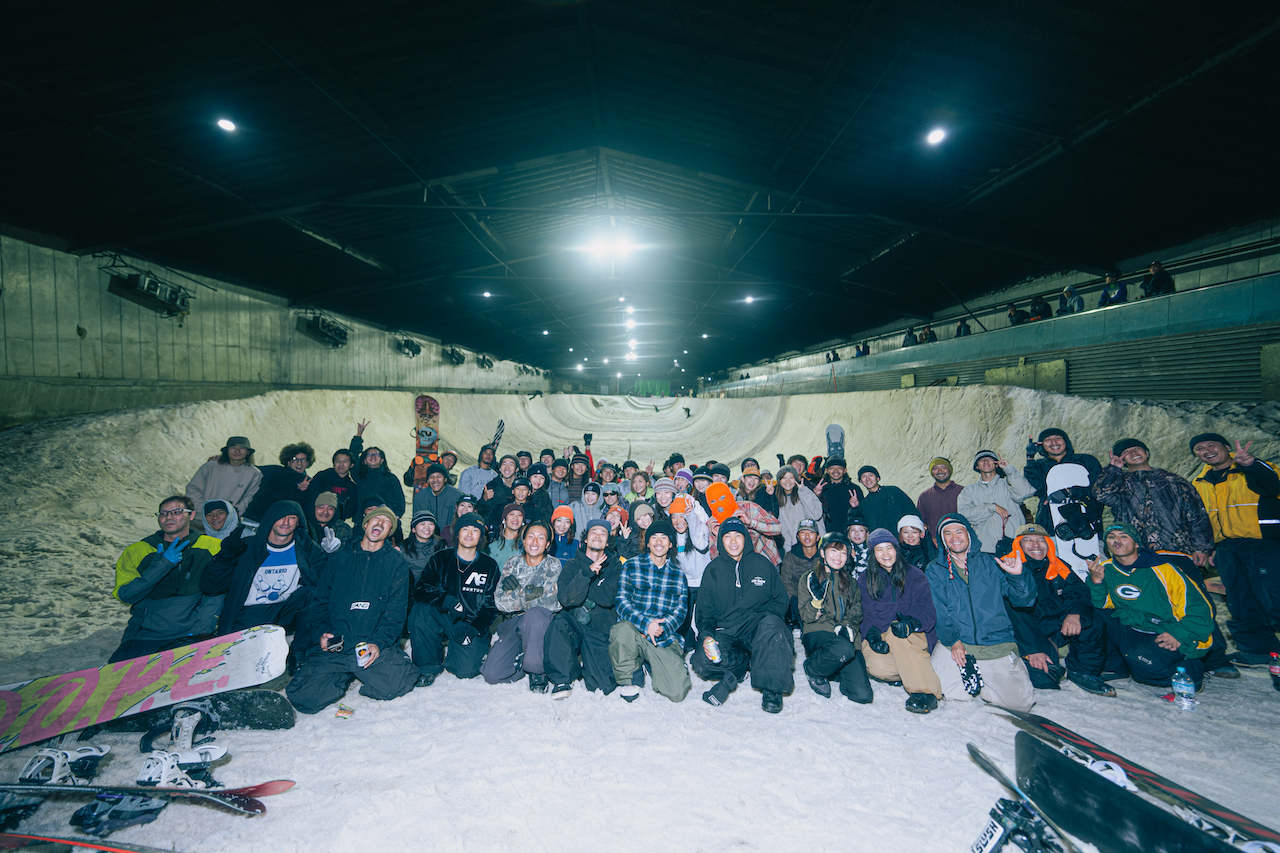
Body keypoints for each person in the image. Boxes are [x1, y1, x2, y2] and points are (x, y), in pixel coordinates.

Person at [284, 506, 418, 714]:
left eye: (386, 522)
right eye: (376, 519)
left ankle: (360, 673)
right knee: (303, 697)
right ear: (366, 524)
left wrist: (379, 643)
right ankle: (343, 674)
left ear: (389, 531)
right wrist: (322, 632)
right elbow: (319, 602)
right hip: (338, 642)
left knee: (402, 680)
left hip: (371, 644)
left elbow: (396, 613)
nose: (380, 523)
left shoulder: (396, 563)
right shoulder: (338, 559)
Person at [926, 513, 1037, 712]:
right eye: (947, 534)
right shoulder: (935, 569)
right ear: (942, 541)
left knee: (1020, 704)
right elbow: (940, 612)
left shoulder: (991, 564)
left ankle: (987, 679)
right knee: (943, 691)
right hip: (959, 645)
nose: (954, 537)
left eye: (959, 531)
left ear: (969, 534)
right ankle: (970, 674)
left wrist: (1018, 577)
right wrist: (954, 642)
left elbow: (1024, 601)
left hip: (995, 643)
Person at [1087, 523, 1216, 690]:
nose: (1116, 540)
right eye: (1111, 537)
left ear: (1136, 544)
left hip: (1164, 629)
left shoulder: (1163, 569)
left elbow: (1199, 608)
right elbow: (1102, 604)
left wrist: (1178, 634)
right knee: (1093, 615)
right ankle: (1115, 667)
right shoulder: (1106, 569)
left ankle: (1193, 674)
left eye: (1123, 536)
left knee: (1149, 671)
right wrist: (1096, 581)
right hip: (1132, 626)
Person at [1189, 434, 1280, 665]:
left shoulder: (1255, 468)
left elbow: (1272, 486)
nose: (1206, 450)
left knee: (1273, 597)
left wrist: (1250, 464)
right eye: (1199, 448)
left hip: (1263, 543)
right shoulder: (1201, 481)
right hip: (1227, 548)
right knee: (1240, 600)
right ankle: (1258, 650)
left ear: (1227, 448)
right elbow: (1205, 519)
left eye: (1212, 445)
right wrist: (1210, 548)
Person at [692, 519, 793, 713]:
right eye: (727, 536)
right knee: (702, 662)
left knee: (773, 626)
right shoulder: (713, 569)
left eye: (738, 535)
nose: (733, 541)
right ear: (721, 540)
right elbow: (705, 610)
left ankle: (772, 688)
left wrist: (761, 620)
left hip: (756, 626)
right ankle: (743, 663)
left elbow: (780, 601)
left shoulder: (762, 564)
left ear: (745, 538)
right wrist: (706, 635)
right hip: (726, 631)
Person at [109, 495, 224, 662]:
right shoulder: (137, 551)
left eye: (176, 512)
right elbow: (126, 595)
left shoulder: (213, 546)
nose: (168, 517)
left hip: (192, 632)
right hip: (145, 634)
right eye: (163, 514)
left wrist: (203, 630)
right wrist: (162, 564)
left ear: (191, 515)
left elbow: (218, 593)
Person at [1003, 524, 1114, 696]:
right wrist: (1033, 648)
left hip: (1056, 625)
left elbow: (1077, 591)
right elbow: (1015, 615)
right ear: (1018, 545)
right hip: (1026, 632)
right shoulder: (1009, 567)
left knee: (1093, 623)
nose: (1036, 545)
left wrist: (1074, 613)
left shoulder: (1059, 565)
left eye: (1041, 540)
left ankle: (1083, 672)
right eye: (1028, 541)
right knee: (1045, 679)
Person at [200, 499, 325, 640]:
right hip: (250, 612)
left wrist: (334, 555)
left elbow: (328, 579)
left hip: (284, 609)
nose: (286, 522)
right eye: (281, 517)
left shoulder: (305, 548)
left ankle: (299, 655)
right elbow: (210, 586)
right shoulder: (247, 547)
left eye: (292, 518)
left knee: (313, 594)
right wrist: (225, 558)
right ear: (271, 519)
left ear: (298, 522)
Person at [408, 512, 499, 685]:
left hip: (470, 623)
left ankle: (456, 652)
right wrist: (446, 601)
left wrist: (475, 629)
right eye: (465, 529)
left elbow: (491, 606)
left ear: (481, 537)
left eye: (475, 530)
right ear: (457, 533)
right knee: (420, 611)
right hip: (442, 616)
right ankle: (428, 666)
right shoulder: (441, 558)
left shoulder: (489, 565)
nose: (469, 534)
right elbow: (420, 590)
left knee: (466, 670)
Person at [858, 529, 942, 713]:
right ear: (873, 554)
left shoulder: (915, 575)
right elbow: (866, 614)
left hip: (911, 634)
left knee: (898, 635)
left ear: (897, 549)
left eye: (889, 548)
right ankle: (912, 668)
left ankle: (925, 692)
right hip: (882, 634)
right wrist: (871, 635)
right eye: (879, 549)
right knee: (875, 665)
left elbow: (927, 610)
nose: (885, 553)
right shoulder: (865, 579)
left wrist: (912, 623)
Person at [609, 519, 692, 703]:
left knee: (677, 692)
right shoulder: (632, 565)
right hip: (635, 632)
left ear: (670, 544)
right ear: (647, 543)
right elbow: (621, 601)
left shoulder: (678, 574)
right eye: (654, 537)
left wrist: (659, 629)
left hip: (663, 638)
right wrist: (646, 625)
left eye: (664, 538)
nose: (658, 542)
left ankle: (654, 664)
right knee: (621, 630)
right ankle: (630, 675)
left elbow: (680, 611)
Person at [1093, 439, 1214, 564]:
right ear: (1122, 460)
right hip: (1135, 554)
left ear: (1147, 453)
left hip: (1177, 551)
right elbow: (1101, 495)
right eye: (1126, 452)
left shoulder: (1174, 480)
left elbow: (1196, 513)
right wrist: (1113, 469)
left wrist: (1201, 547)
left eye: (1137, 449)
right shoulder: (1120, 483)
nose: (1133, 453)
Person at [482, 521, 563, 692]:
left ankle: (537, 671)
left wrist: (517, 595)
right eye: (530, 537)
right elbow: (500, 601)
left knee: (534, 615)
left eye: (541, 538)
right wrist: (527, 593)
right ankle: (523, 660)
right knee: (492, 674)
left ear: (548, 544)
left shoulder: (553, 564)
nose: (535, 542)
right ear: (523, 541)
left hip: (540, 625)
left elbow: (552, 602)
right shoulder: (512, 563)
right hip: (513, 623)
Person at [544, 519, 620, 698]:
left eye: (603, 534)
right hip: (574, 623)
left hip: (600, 627)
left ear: (607, 542)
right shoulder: (572, 564)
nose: (597, 536)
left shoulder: (615, 566)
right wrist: (587, 573)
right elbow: (566, 598)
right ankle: (563, 678)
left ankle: (587, 665)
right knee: (558, 624)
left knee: (603, 686)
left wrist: (582, 585)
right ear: (585, 539)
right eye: (594, 532)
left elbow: (608, 597)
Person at [797, 532, 874, 704]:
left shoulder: (851, 583)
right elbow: (806, 617)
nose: (838, 557)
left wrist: (846, 626)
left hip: (844, 636)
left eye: (843, 552)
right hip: (818, 632)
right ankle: (814, 668)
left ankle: (836, 668)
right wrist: (817, 602)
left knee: (862, 695)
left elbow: (856, 612)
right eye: (833, 551)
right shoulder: (810, 578)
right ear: (823, 553)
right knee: (843, 649)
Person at [956, 451, 1035, 553]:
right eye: (981, 460)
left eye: (990, 458)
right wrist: (991, 507)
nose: (985, 461)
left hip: (1015, 545)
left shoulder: (1009, 484)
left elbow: (1025, 492)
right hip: (985, 548)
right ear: (976, 467)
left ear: (996, 463)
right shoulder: (969, 491)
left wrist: (1009, 470)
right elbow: (964, 515)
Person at [1024, 428, 1103, 529]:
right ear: (1041, 444)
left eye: (1058, 438)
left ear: (1066, 441)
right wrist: (1030, 458)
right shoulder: (1039, 465)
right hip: (1050, 521)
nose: (1054, 443)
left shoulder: (1086, 461)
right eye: (1048, 440)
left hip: (1087, 521)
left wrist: (1069, 492)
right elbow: (1037, 489)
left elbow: (1098, 489)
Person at [185, 435, 261, 525]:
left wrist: (232, 513)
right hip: (200, 520)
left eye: (242, 447)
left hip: (228, 523)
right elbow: (193, 489)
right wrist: (203, 509)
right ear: (227, 451)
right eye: (233, 447)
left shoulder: (254, 473)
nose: (237, 451)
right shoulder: (210, 466)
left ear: (248, 452)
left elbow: (249, 498)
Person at [669, 496, 710, 650]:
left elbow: (701, 544)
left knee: (702, 618)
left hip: (703, 582)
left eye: (682, 515)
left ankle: (703, 645)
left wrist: (692, 516)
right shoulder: (671, 537)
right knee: (683, 619)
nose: (679, 521)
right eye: (674, 516)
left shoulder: (698, 530)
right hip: (684, 584)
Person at [243, 443, 314, 527]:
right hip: (252, 520)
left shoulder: (308, 482)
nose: (299, 463)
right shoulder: (273, 471)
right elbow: (250, 471)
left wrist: (301, 491)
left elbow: (300, 510)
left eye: (303, 460)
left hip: (279, 527)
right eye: (295, 459)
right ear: (288, 461)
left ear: (308, 463)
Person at [779, 520, 821, 630]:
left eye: (811, 532)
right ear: (798, 536)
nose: (807, 536)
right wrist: (794, 600)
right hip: (797, 604)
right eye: (803, 532)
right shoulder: (790, 557)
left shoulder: (824, 557)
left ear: (818, 537)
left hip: (820, 603)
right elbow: (785, 582)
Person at [353, 446, 405, 531]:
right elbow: (353, 455)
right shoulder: (360, 477)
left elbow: (398, 503)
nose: (373, 456)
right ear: (364, 461)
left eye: (376, 454)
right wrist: (358, 436)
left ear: (382, 460)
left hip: (386, 524)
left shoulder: (391, 478)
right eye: (369, 454)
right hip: (362, 523)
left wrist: (389, 519)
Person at [856, 466, 918, 534]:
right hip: (881, 541)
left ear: (878, 478)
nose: (868, 479)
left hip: (902, 537)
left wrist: (919, 526)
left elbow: (911, 510)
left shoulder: (893, 491)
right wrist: (854, 507)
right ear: (860, 481)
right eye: (864, 476)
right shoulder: (864, 504)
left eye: (871, 475)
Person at [775, 466, 825, 550]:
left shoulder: (806, 492)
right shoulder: (781, 499)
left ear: (796, 479)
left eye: (791, 477)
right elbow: (784, 529)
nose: (788, 481)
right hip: (797, 548)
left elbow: (816, 515)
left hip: (816, 545)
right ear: (779, 481)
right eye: (784, 478)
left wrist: (803, 492)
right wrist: (788, 549)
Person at [916, 457, 963, 545]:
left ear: (950, 470)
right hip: (936, 545)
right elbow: (921, 522)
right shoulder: (924, 496)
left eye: (943, 467)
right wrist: (930, 537)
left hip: (961, 543)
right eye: (935, 468)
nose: (940, 471)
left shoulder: (963, 492)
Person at [309, 448, 360, 522]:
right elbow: (311, 498)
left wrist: (338, 516)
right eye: (338, 461)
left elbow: (351, 508)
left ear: (351, 465)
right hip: (314, 519)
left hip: (337, 524)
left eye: (345, 461)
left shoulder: (352, 487)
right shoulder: (322, 477)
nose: (341, 464)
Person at [815, 457, 863, 535]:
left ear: (845, 470)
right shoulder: (820, 488)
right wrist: (815, 495)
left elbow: (862, 514)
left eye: (839, 468)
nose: (835, 471)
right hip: (824, 533)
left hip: (848, 534)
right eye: (832, 468)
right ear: (826, 470)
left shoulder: (854, 489)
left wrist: (857, 506)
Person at [401, 510, 446, 585]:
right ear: (413, 529)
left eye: (431, 524)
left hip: (432, 590)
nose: (427, 527)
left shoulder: (441, 544)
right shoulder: (403, 547)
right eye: (422, 524)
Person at [411, 463, 462, 528]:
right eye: (431, 477)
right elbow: (417, 522)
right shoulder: (420, 497)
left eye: (439, 476)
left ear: (445, 479)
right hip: (427, 534)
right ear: (428, 481)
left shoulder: (457, 496)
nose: (435, 480)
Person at [477, 455, 520, 529]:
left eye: (511, 464)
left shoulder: (523, 485)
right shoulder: (492, 486)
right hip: (495, 529)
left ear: (517, 469)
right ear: (500, 468)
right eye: (504, 464)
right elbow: (481, 511)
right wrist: (484, 499)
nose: (507, 467)